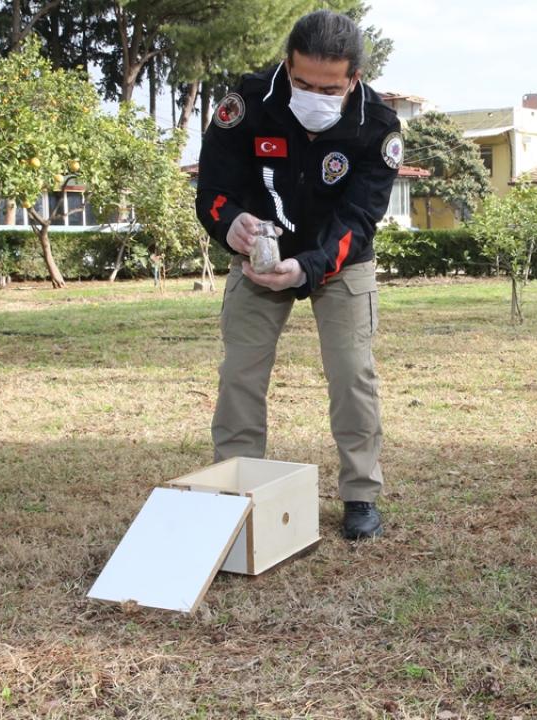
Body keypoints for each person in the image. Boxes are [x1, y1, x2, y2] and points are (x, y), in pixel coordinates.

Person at [195, 10, 403, 540]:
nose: (313, 94)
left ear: (353, 77)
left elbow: (359, 220)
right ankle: (231, 490)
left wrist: (308, 268)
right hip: (260, 257)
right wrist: (230, 222)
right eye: (302, 81)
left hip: (338, 261)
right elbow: (214, 189)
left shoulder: (377, 127)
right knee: (241, 372)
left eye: (328, 87)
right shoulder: (245, 104)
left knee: (352, 372)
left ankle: (360, 493)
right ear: (287, 65)